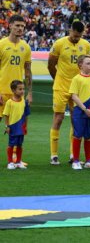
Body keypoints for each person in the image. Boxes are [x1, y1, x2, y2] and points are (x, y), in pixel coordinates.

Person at [48, 21, 90, 165]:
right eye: (74, 36)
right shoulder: (59, 43)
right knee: (59, 118)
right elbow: (50, 64)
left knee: (76, 120)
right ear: (70, 30)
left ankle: (74, 154)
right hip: (61, 87)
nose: (76, 39)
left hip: (78, 89)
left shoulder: (85, 45)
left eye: (79, 37)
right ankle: (54, 155)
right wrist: (57, 79)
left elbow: (88, 64)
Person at [0, 15, 32, 164]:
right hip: (2, 91)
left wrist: (29, 92)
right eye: (17, 25)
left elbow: (28, 71)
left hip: (17, 95)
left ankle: (14, 158)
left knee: (17, 126)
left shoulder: (25, 47)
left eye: (23, 27)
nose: (20, 29)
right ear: (10, 25)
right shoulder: (1, 44)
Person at [69, 55, 90, 170]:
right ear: (80, 65)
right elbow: (74, 95)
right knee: (78, 135)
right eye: (88, 63)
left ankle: (89, 161)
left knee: (89, 136)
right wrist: (85, 109)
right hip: (80, 111)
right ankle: (76, 161)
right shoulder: (76, 79)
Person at [3, 80, 30, 170]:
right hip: (13, 127)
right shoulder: (9, 102)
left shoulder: (24, 102)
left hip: (21, 127)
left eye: (23, 89)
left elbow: (26, 115)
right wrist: (7, 127)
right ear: (14, 91)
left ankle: (18, 162)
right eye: (20, 89)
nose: (22, 91)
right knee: (11, 145)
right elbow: (6, 115)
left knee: (19, 144)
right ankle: (10, 162)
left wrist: (25, 126)